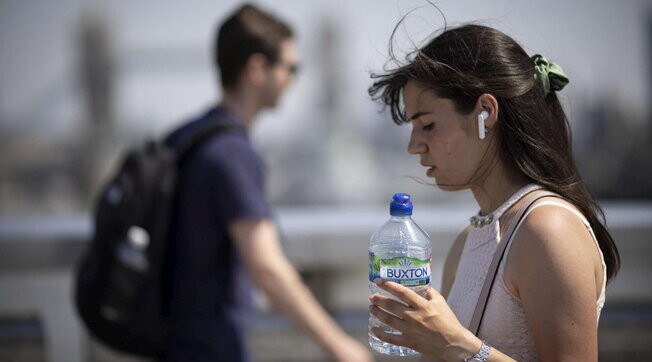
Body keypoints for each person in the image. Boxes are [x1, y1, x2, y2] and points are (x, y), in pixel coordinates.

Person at [366, 23, 620, 361]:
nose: (414, 146)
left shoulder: (548, 230)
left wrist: (458, 346)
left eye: (427, 125)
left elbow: (457, 348)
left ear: (485, 113)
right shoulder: (467, 240)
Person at [161, 4, 372, 362]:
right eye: (291, 68)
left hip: (172, 344)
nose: (293, 79)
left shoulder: (186, 138)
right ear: (258, 69)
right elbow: (267, 267)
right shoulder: (232, 153)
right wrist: (340, 346)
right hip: (212, 349)